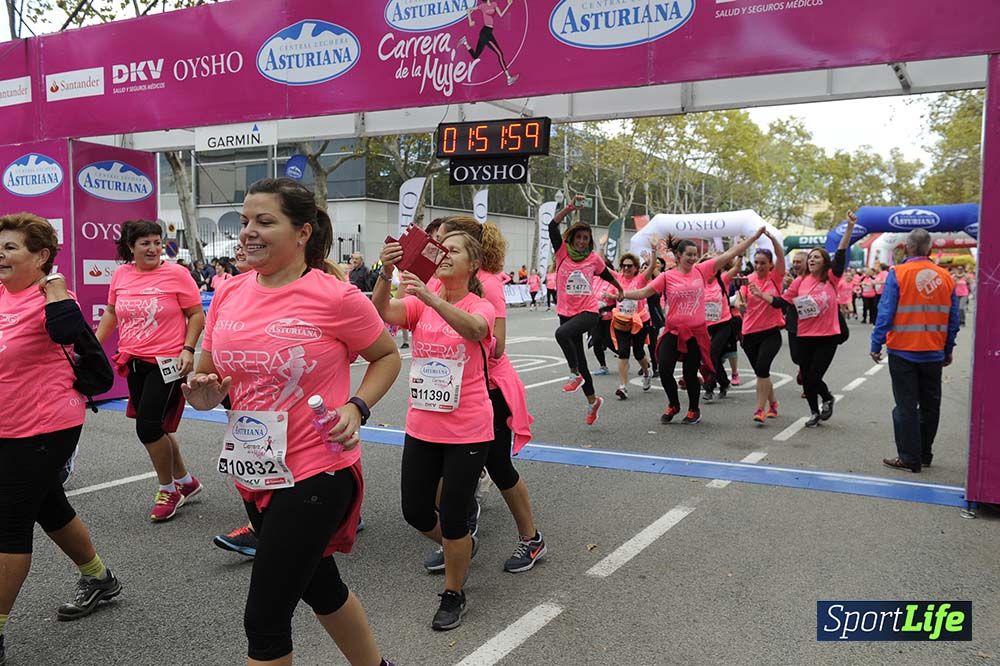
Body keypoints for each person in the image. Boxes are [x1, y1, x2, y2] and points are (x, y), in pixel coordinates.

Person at [184, 178, 400, 666]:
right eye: (244, 222)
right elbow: (211, 373)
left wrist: (357, 407)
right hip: (256, 469)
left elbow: (386, 356)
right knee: (321, 586)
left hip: (318, 469)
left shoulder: (337, 297)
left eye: (265, 222)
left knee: (264, 620)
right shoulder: (229, 291)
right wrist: (205, 392)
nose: (248, 233)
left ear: (302, 232)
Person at [0, 214, 124, 665]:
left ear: (41, 256)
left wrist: (53, 286)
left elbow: (67, 332)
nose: (1, 254)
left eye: (11, 247)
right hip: (5, 423)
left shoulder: (53, 298)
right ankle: (99, 578)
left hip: (45, 424)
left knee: (9, 523)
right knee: (49, 505)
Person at [374, 230, 495, 630]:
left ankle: (453, 592)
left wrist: (430, 297)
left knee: (456, 516)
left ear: (473, 264)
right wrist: (385, 270)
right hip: (422, 424)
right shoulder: (419, 301)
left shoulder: (481, 304)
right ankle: (459, 547)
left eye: (454, 251)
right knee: (415, 511)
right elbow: (382, 313)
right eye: (441, 250)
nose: (444, 256)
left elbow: (476, 330)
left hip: (467, 429)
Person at [422, 216, 544, 574]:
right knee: (442, 471)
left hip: (487, 390)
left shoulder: (486, 286)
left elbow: (498, 346)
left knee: (498, 467)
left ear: (470, 251)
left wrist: (456, 324)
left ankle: (531, 538)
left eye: (446, 243)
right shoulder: (435, 280)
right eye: (437, 242)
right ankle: (457, 539)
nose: (438, 248)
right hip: (445, 395)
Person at [95, 219, 205, 521]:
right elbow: (112, 313)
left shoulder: (177, 274)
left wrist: (188, 349)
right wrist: (92, 347)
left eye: (157, 242)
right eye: (146, 243)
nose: (154, 248)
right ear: (131, 247)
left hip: (168, 362)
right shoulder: (121, 274)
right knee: (159, 427)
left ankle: (169, 489)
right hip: (134, 361)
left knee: (147, 428)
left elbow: (196, 315)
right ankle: (186, 482)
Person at [621, 231, 764, 425]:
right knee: (664, 368)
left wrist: (754, 237)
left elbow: (730, 253)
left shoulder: (701, 270)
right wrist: (621, 295)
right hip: (673, 331)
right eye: (689, 254)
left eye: (695, 254)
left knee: (690, 373)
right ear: (678, 256)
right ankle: (674, 404)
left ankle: (694, 409)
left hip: (696, 333)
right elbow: (645, 292)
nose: (693, 258)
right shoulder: (667, 277)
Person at [753, 213, 856, 427]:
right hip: (805, 335)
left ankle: (827, 397)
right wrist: (761, 295)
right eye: (810, 257)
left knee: (814, 377)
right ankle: (814, 412)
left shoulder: (832, 278)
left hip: (827, 337)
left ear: (825, 262)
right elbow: (782, 302)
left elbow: (841, 253)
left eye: (816, 257)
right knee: (806, 378)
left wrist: (849, 229)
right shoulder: (800, 281)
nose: (812, 260)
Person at [871, 229, 959, 473]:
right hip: (933, 352)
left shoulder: (898, 273)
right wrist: (948, 348)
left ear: (907, 248)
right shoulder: (946, 277)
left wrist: (876, 343)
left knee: (905, 406)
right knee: (931, 406)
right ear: (929, 250)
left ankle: (909, 457)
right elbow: (953, 320)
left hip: (903, 351)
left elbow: (886, 312)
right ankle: (924, 454)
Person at [549, 195, 624, 425]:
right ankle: (593, 401)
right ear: (572, 238)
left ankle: (574, 373)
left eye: (586, 238)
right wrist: (570, 208)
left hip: (589, 312)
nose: (582, 241)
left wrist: (619, 288)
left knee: (561, 335)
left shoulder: (593, 259)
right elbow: (552, 225)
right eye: (579, 237)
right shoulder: (562, 252)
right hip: (566, 311)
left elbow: (607, 275)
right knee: (581, 359)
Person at [738, 237, 786, 423]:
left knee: (762, 368)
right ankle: (773, 403)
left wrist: (772, 238)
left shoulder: (776, 278)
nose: (759, 267)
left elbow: (781, 255)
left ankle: (760, 409)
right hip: (749, 333)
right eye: (756, 263)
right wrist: (741, 304)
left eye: (763, 263)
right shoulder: (748, 280)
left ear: (770, 265)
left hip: (770, 332)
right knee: (761, 373)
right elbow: (741, 299)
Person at [609, 251, 655, 400]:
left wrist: (653, 254)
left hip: (640, 321)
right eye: (623, 266)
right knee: (623, 352)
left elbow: (652, 267)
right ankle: (623, 387)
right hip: (622, 321)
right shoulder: (617, 278)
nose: (626, 268)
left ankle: (647, 372)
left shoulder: (641, 279)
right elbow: (604, 268)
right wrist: (601, 248)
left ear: (635, 268)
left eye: (630, 266)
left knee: (638, 352)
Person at [701, 251, 744, 402]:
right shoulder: (698, 281)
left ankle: (709, 388)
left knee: (713, 354)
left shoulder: (723, 279)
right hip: (704, 326)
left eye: (713, 264)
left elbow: (737, 268)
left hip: (723, 324)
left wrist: (740, 255)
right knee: (708, 357)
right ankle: (724, 382)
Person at [458, 0, 518, 85]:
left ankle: (465, 42)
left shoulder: (494, 4)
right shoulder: (482, 6)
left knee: (475, 56)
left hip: (488, 32)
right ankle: (509, 78)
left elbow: (501, 15)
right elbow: (468, 10)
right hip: (485, 32)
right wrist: (470, 21)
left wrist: (508, 5)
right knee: (500, 54)